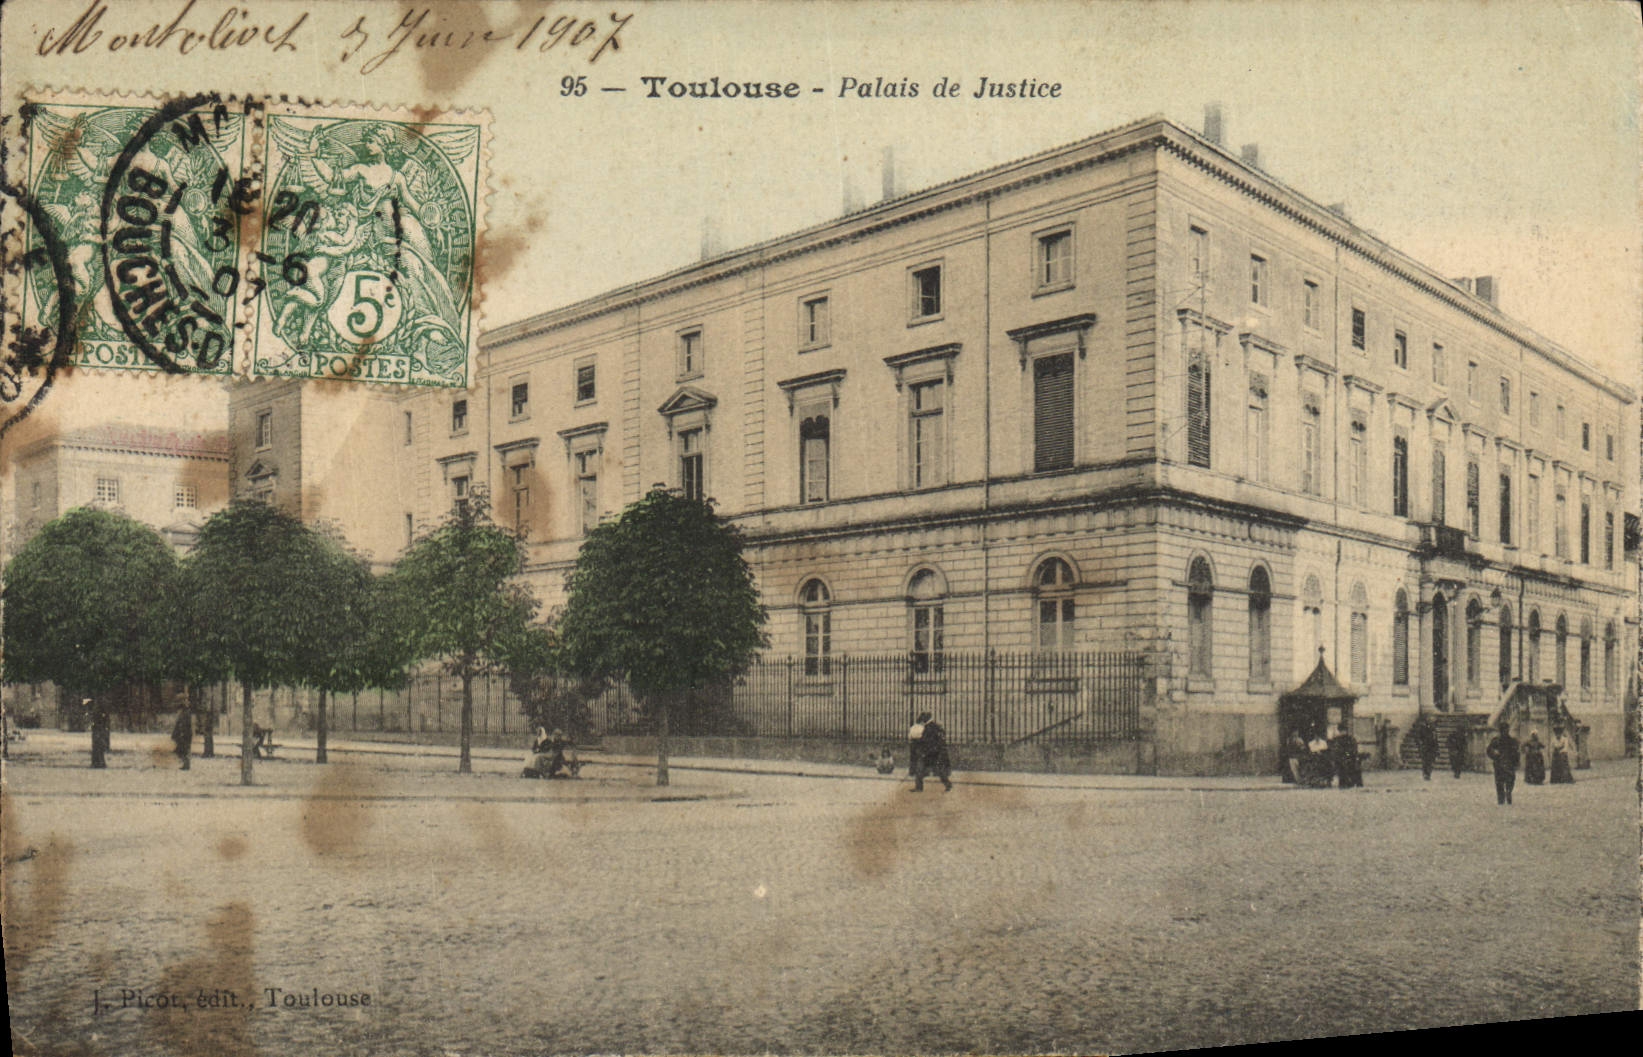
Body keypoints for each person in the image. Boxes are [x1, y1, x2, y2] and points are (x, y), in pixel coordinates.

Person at [910, 711, 952, 792]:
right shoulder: (934, 726)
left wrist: (917, 741)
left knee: (920, 769)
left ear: (926, 718)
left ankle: (919, 787)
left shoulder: (929, 727)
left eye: (923, 718)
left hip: (930, 753)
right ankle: (948, 784)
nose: (922, 720)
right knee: (937, 770)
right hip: (935, 752)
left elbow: (926, 740)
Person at [1485, 721, 1520, 805]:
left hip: (1507, 764)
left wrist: (1516, 762)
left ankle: (1507, 793)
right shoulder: (1496, 741)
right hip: (1500, 764)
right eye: (1504, 730)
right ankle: (1502, 797)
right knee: (1501, 782)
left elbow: (1516, 752)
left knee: (1509, 780)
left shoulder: (1512, 741)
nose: (1505, 731)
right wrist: (1494, 754)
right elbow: (1489, 750)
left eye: (1506, 729)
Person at [1330, 722, 1362, 789]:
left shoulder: (1350, 739)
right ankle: (1344, 783)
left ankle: (1354, 783)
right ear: (1339, 731)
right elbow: (1336, 749)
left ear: (1346, 731)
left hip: (1350, 757)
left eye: (1344, 730)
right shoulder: (1337, 740)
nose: (1343, 732)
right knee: (1341, 771)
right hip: (1340, 758)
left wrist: (1348, 754)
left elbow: (1353, 748)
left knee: (1354, 769)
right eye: (1341, 731)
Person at [1411, 714, 1438, 780]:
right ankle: (1426, 774)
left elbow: (1435, 739)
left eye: (1432, 721)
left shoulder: (1433, 729)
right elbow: (1417, 737)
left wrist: (1437, 748)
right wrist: (1420, 745)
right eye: (1430, 720)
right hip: (1425, 747)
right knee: (1425, 761)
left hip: (1432, 748)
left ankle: (1428, 773)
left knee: (1431, 761)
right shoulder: (1422, 728)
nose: (1431, 722)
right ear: (1427, 721)